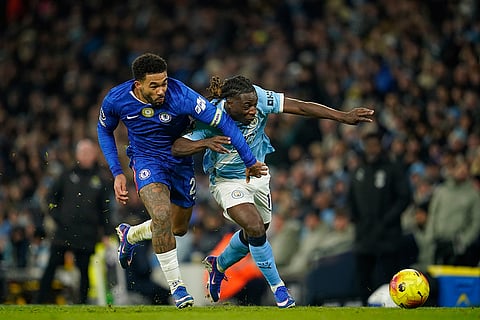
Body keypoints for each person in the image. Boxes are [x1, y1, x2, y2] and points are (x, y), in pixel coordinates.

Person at [119, 75, 374, 308]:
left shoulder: (259, 97)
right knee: (254, 226)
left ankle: (218, 265)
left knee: (256, 232)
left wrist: (342, 116)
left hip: (258, 175)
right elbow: (177, 146)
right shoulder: (210, 116)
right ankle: (280, 290)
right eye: (247, 107)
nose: (254, 110)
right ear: (229, 104)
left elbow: (302, 106)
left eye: (254, 105)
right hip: (227, 182)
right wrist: (205, 143)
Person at [96, 53, 266, 308]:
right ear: (138, 85)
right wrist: (117, 172)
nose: (162, 89)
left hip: (180, 161)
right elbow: (104, 129)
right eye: (154, 85)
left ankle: (130, 235)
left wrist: (249, 160)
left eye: (164, 82)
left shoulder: (182, 96)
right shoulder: (117, 99)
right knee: (161, 214)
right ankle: (178, 289)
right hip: (146, 160)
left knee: (177, 228)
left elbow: (226, 124)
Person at [37, 138, 113, 304]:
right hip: (64, 232)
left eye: (89, 152)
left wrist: (107, 233)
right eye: (83, 152)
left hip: (87, 233)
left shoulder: (101, 179)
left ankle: (82, 304)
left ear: (94, 155)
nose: (86, 156)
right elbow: (50, 198)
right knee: (51, 266)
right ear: (77, 154)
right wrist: (57, 217)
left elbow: (105, 210)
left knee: (84, 270)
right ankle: (40, 301)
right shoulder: (66, 174)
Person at [347, 131, 411, 305]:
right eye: (368, 145)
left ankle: (395, 305)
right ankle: (364, 307)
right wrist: (355, 219)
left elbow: (404, 197)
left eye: (375, 145)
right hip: (364, 236)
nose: (372, 149)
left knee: (390, 276)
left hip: (387, 235)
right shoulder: (358, 170)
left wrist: (387, 220)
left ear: (381, 146)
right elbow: (350, 198)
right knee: (363, 277)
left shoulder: (392, 169)